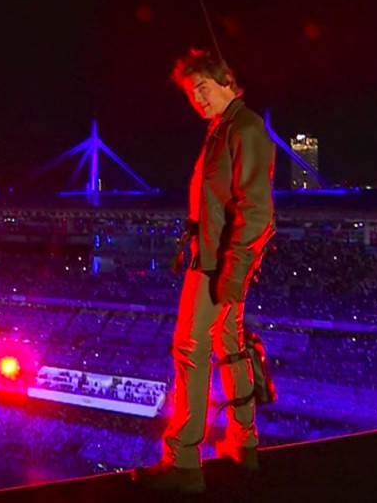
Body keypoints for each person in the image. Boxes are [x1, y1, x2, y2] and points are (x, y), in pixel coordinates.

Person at [132, 48, 276, 493]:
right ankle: (244, 442)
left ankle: (183, 462)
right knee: (229, 344)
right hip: (217, 260)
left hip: (216, 264)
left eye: (203, 87)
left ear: (227, 80)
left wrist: (230, 273)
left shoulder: (244, 128)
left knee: (190, 350)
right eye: (191, 93)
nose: (197, 98)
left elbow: (256, 213)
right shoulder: (224, 129)